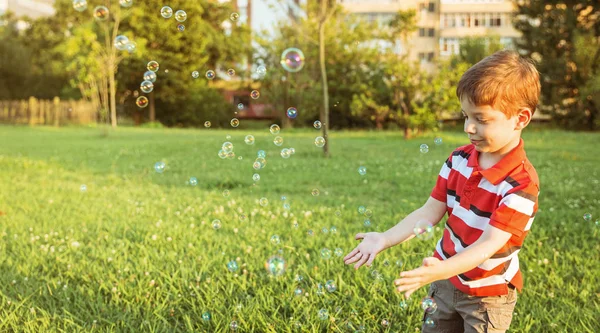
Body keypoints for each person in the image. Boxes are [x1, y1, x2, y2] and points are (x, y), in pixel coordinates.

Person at [343, 50, 541, 333]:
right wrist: (385, 238)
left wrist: (441, 270)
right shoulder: (458, 159)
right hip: (445, 281)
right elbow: (429, 212)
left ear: (520, 118)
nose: (468, 127)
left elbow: (488, 245)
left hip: (487, 295)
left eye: (481, 119)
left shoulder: (521, 184)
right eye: (465, 116)